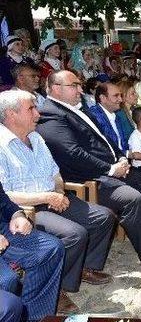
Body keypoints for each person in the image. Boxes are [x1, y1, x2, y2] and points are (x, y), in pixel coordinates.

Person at [37, 70, 141, 273]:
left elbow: (103, 141)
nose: (80, 90)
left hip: (108, 168)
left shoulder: (75, 109)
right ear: (56, 89)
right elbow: (73, 153)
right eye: (74, 85)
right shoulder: (51, 114)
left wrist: (121, 159)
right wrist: (110, 168)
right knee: (131, 198)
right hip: (88, 178)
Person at [0, 90, 115, 309]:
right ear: (11, 114)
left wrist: (59, 192)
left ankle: (82, 268)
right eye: (31, 108)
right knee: (74, 234)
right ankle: (55, 286)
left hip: (54, 197)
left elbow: (55, 173)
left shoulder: (36, 137)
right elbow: (4, 195)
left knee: (103, 217)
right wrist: (46, 196)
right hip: (26, 208)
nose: (38, 113)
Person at [0, 181, 65, 322]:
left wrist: (17, 214)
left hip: (3, 229)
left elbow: (2, 198)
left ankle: (33, 320)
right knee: (6, 280)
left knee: (50, 249)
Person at [89, 83, 132, 154]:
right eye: (116, 96)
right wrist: (128, 154)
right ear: (103, 98)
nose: (121, 99)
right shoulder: (94, 116)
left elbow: (122, 144)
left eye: (120, 95)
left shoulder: (115, 116)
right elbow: (102, 148)